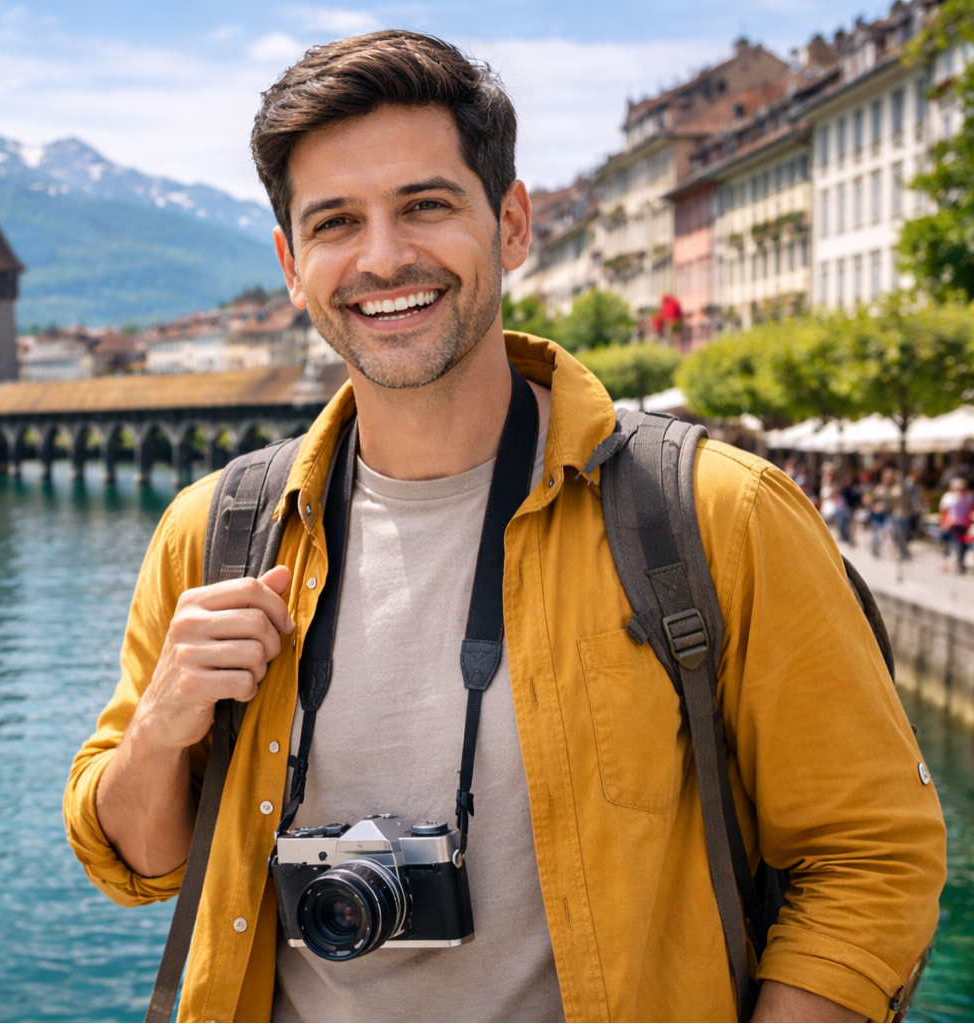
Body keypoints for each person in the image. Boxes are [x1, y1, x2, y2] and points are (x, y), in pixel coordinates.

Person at [64, 31, 944, 1023]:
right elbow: (137, 860)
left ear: (512, 223)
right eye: (337, 221)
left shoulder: (716, 516)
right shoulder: (216, 536)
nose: (383, 255)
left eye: (427, 205)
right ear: (291, 264)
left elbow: (872, 853)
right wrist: (161, 727)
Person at [940, 479, 973, 573]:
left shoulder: (969, 497)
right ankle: (958, 565)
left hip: (964, 525)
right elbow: (943, 511)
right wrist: (945, 522)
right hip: (953, 525)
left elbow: (971, 509)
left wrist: (969, 521)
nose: (961, 490)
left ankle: (960, 563)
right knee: (957, 544)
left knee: (964, 546)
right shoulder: (949, 497)